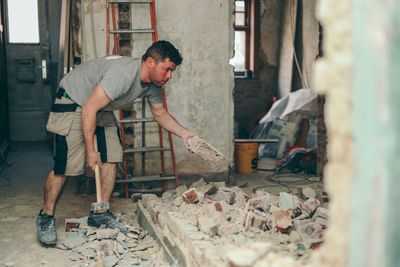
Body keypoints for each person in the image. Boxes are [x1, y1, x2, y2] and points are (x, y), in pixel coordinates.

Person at [36, 40, 199, 245]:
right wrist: (90, 150)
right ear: (150, 62)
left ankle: (100, 212)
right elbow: (88, 109)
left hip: (98, 106)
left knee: (112, 154)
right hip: (74, 100)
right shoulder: (122, 75)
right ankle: (46, 216)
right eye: (167, 70)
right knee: (66, 165)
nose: (169, 76)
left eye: (172, 71)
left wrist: (184, 134)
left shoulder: (153, 84)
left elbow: (161, 114)